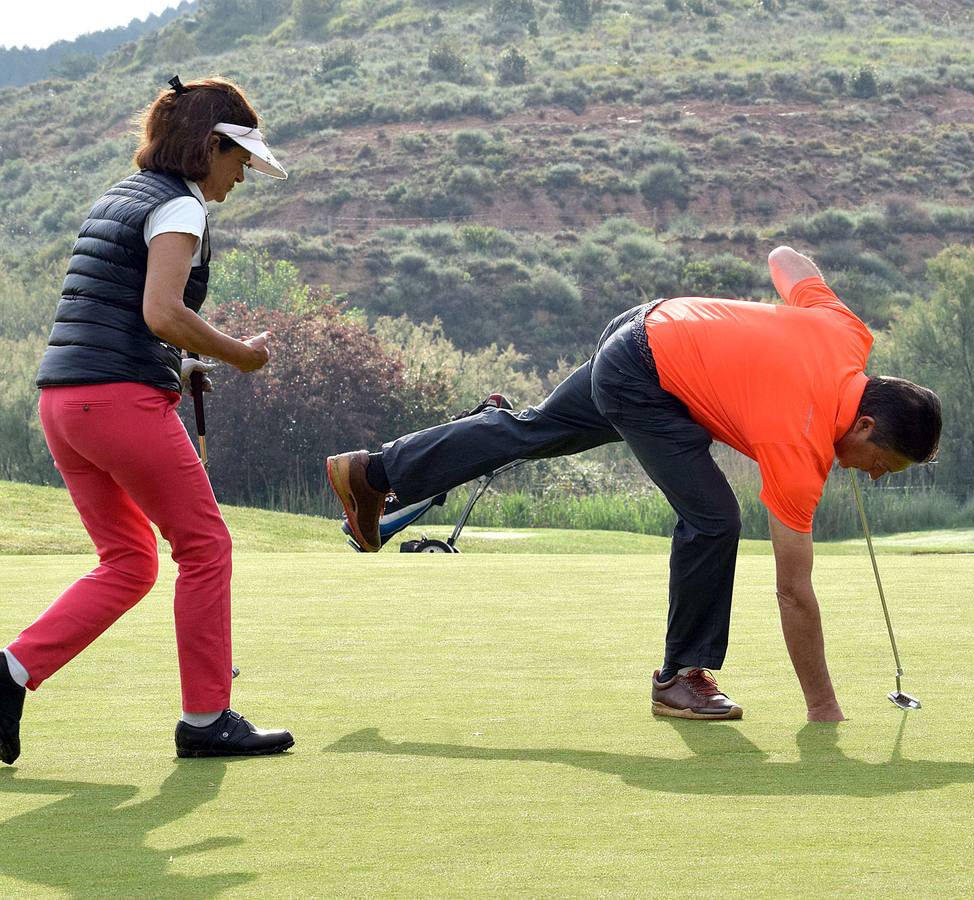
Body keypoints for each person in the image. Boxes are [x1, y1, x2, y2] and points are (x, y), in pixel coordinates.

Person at [325, 246, 941, 723]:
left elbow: (785, 259)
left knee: (531, 431)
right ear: (864, 422)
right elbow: (793, 591)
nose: (877, 474)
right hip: (647, 373)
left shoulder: (849, 332)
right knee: (714, 520)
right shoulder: (798, 444)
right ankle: (680, 679)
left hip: (647, 326)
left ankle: (372, 471)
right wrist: (823, 708)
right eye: (884, 461)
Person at [0, 76, 294, 765]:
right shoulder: (181, 208)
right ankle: (206, 719)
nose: (243, 175)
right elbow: (160, 312)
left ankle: (7, 673)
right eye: (239, 159)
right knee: (205, 547)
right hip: (118, 402)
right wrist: (238, 354)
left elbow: (113, 310)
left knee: (130, 562)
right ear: (209, 146)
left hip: (64, 405)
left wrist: (179, 367)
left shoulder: (121, 197)